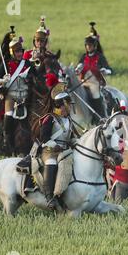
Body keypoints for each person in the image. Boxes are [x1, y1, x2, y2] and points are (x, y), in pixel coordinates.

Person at [37, 84, 77, 212]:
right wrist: (56, 146)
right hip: (49, 151)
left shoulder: (68, 120)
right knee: (51, 162)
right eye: (69, 104)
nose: (70, 107)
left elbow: (71, 137)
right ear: (63, 104)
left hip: (65, 151)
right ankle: (49, 197)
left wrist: (77, 142)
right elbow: (44, 138)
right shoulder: (49, 118)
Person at [0, 36, 34, 155]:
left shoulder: (27, 63)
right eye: (17, 51)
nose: (20, 53)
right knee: (9, 113)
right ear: (12, 52)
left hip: (27, 95)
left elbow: (36, 76)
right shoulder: (7, 64)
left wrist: (29, 78)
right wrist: (3, 80)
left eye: (21, 51)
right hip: (11, 95)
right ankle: (6, 141)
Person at [75, 22, 112, 121]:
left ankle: (99, 116)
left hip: (96, 83)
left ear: (95, 46)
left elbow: (109, 69)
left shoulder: (99, 57)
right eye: (87, 45)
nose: (88, 47)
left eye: (90, 45)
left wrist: (105, 70)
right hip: (83, 82)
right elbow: (78, 67)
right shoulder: (83, 57)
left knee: (95, 92)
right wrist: (77, 69)